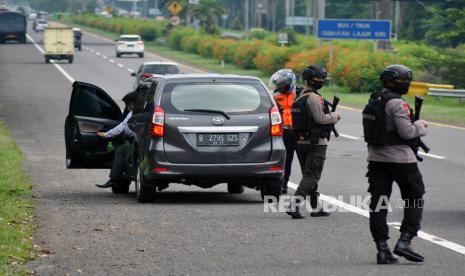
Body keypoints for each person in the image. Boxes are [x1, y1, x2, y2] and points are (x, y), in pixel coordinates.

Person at [363, 64, 428, 264]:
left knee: (379, 204)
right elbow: (407, 132)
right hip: (401, 160)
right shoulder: (397, 104)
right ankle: (405, 241)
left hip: (376, 159)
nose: (407, 84)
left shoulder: (374, 100)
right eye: (404, 80)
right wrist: (420, 126)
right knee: (415, 197)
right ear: (392, 82)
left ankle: (382, 249)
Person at [286, 65, 341, 219]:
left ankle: (316, 207)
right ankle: (294, 205)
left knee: (308, 175)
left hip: (301, 142)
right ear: (311, 79)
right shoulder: (313, 97)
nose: (321, 81)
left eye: (323, 78)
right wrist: (335, 116)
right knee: (312, 176)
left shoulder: (300, 96)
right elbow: (320, 119)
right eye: (319, 78)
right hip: (316, 143)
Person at [95, 91, 137, 188]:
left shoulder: (133, 113)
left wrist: (106, 135)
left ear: (132, 103)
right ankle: (115, 179)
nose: (127, 107)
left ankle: (114, 179)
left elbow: (122, 127)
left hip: (139, 142)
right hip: (140, 141)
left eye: (127, 104)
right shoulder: (140, 111)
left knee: (121, 150)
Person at [269, 69, 297, 194]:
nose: (279, 86)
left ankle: (309, 186)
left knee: (305, 162)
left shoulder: (300, 94)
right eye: (278, 84)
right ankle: (283, 185)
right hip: (284, 132)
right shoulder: (274, 96)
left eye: (281, 84)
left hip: (298, 132)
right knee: (286, 160)